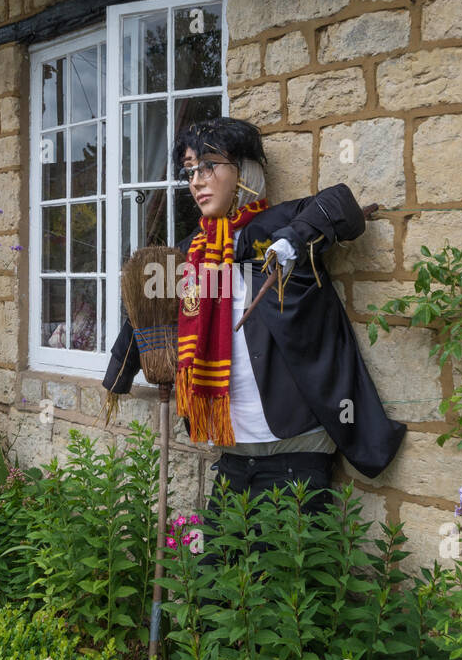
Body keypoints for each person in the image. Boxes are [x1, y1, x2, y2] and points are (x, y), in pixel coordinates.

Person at [103, 117, 406, 547]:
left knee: (286, 596)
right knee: (214, 595)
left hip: (295, 452)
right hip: (231, 454)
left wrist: (293, 241)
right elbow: (146, 311)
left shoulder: (279, 226)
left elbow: (340, 205)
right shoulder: (195, 255)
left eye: (208, 166)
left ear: (243, 173)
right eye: (190, 171)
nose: (196, 181)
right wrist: (117, 378)